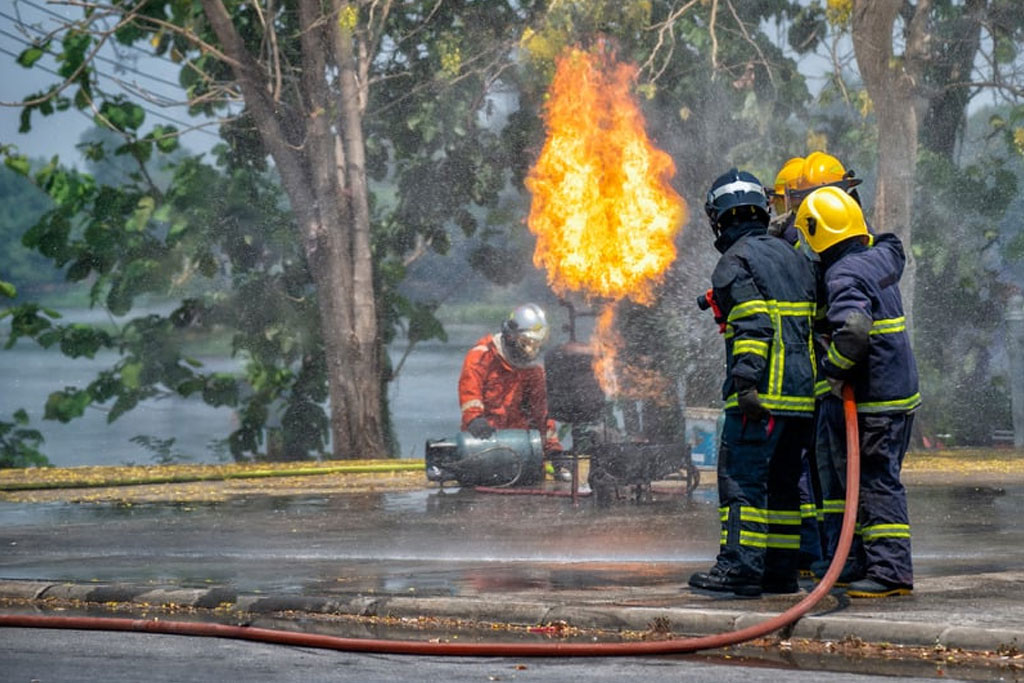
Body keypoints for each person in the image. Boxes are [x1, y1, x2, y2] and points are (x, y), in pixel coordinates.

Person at [688, 169, 818, 598]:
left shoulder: (735, 261)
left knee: (742, 484)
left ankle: (739, 568)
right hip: (801, 400)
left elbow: (754, 325)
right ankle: (779, 572)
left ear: (719, 218)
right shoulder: (794, 257)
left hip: (760, 399)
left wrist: (745, 384)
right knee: (783, 489)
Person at [793, 186, 920, 598]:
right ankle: (850, 561)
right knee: (852, 482)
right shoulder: (880, 257)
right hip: (895, 393)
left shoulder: (842, 274)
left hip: (874, 400)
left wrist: (834, 369)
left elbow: (855, 330)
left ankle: (890, 571)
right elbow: (890, 242)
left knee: (876, 481)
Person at [458, 303, 568, 480]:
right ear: (511, 336)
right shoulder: (481, 357)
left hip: (520, 449)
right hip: (484, 445)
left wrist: (554, 451)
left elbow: (541, 415)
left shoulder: (533, 371)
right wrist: (474, 419)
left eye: (536, 344)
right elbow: (470, 395)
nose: (531, 350)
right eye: (527, 343)